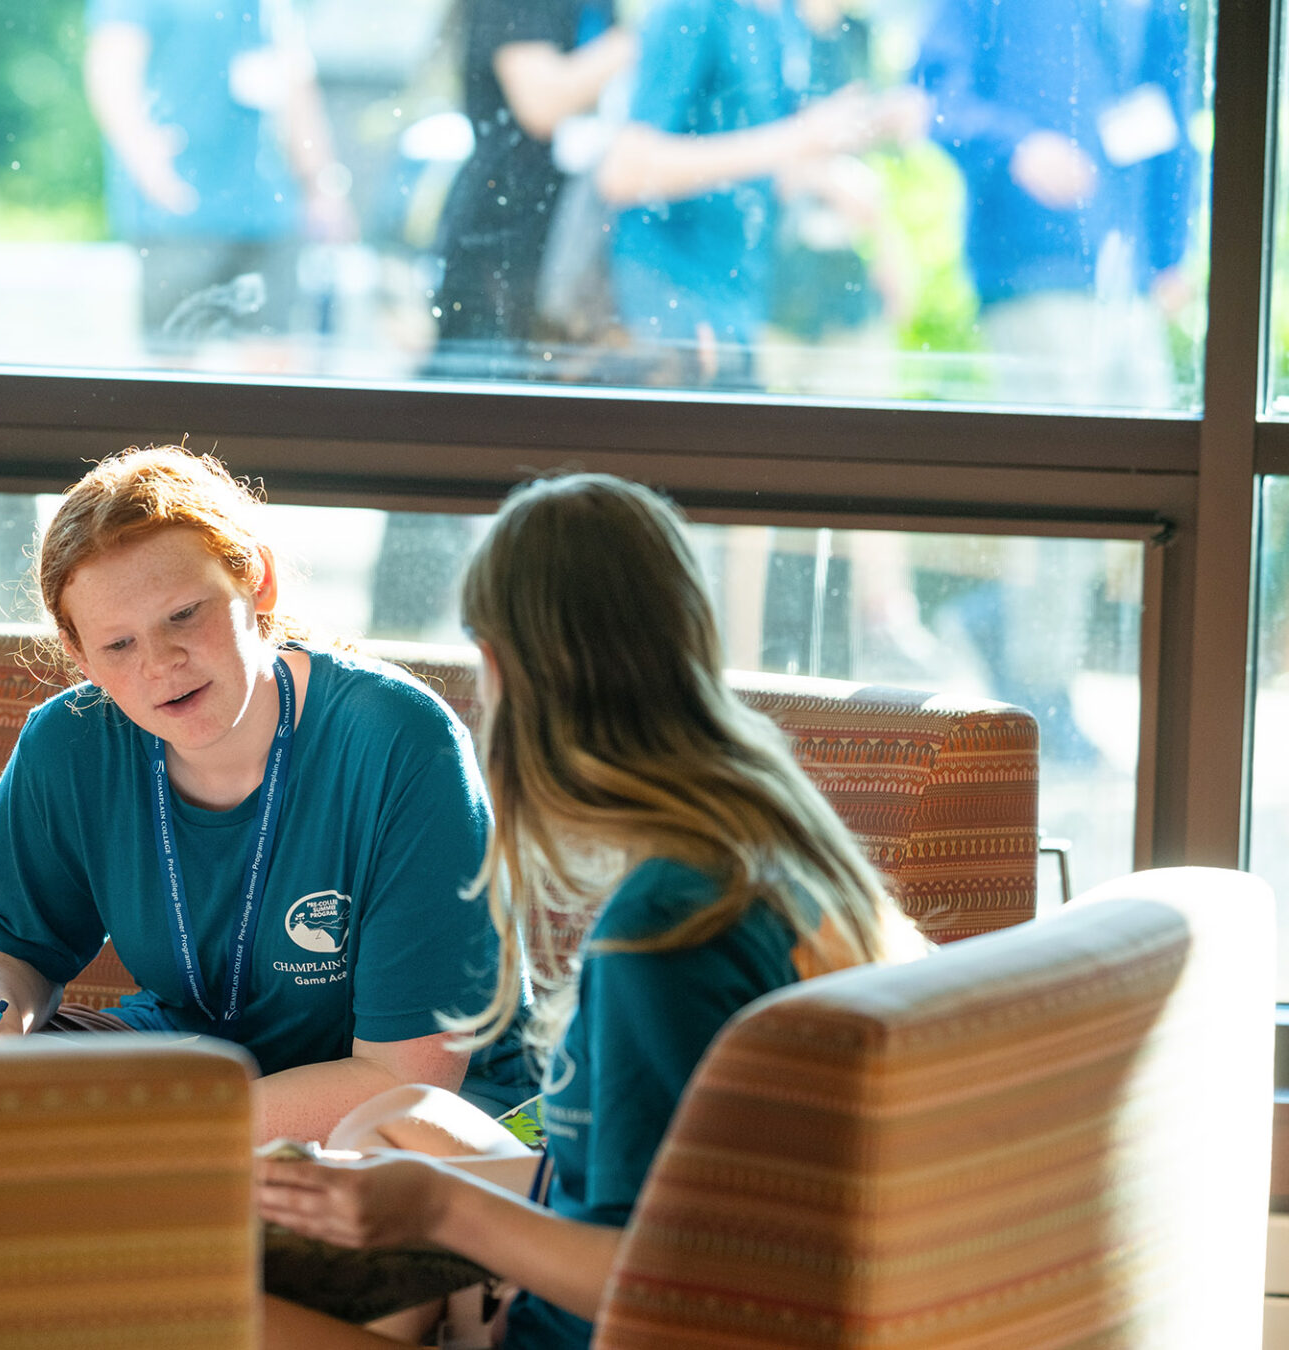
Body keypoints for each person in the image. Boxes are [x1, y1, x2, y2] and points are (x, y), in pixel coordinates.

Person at [257, 474, 925, 1348]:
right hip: (761, 1276)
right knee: (398, 1118)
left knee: (193, 1308)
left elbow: (655, 1279)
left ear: (502, 671)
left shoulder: (666, 936)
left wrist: (436, 1206)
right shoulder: (774, 834)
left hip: (600, 1321)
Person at [0, 446, 531, 1142]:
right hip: (185, 1069)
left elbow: (408, 1080)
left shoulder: (400, 740)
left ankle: (93, 1164)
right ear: (80, 657)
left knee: (396, 1138)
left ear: (258, 583)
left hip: (386, 1106)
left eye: (184, 615)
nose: (161, 664)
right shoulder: (71, 740)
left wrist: (146, 1126)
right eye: (119, 645)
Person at [597, 0, 920, 387]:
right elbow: (625, 170)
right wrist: (798, 138)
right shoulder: (692, 11)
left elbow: (767, 160)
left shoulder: (780, 19)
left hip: (740, 305)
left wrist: (872, 218)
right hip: (672, 299)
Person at [914, 0, 1196, 410]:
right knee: (1065, 451)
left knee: (1150, 445)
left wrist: (1171, 252)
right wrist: (1017, 147)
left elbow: (1172, 107)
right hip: (1031, 268)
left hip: (1129, 278)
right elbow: (935, 99)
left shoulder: (1157, 10)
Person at [85, 0, 357, 361]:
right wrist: (147, 162)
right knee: (172, 370)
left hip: (269, 214)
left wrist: (321, 187)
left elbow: (295, 83)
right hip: (179, 215)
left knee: (274, 367)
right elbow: (111, 66)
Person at [423, 0, 636, 378]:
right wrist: (643, 38)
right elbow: (541, 104)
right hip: (499, 246)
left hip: (564, 256)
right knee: (474, 417)